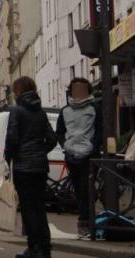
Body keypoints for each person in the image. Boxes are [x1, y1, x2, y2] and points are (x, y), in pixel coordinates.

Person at [5, 76, 57, 258]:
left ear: (18, 91)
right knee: (40, 208)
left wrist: (10, 156)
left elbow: (12, 138)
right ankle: (44, 248)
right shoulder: (41, 113)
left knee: (28, 209)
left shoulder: (17, 111)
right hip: (40, 167)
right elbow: (52, 138)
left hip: (24, 167)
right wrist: (40, 151)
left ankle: (34, 249)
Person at [55, 78, 102, 239]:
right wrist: (66, 147)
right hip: (72, 156)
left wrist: (93, 147)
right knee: (80, 190)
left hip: (89, 156)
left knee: (87, 190)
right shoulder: (65, 111)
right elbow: (60, 132)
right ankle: (84, 223)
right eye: (75, 89)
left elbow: (100, 131)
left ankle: (87, 222)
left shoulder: (95, 108)